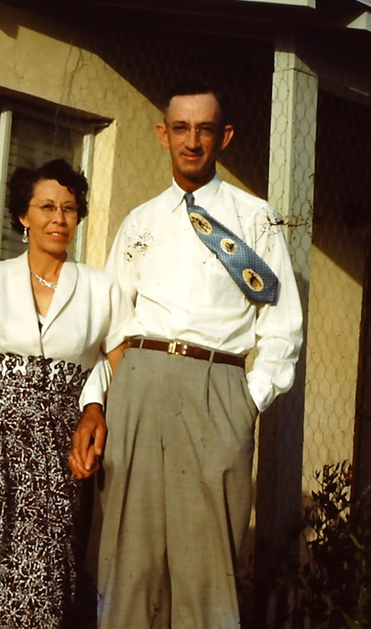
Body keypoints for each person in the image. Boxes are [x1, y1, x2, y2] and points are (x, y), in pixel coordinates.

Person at [94, 82, 303, 628]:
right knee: (129, 559)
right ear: (163, 135)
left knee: (207, 562)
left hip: (218, 388)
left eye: (204, 128)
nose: (192, 141)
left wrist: (246, 402)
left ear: (224, 136)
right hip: (139, 385)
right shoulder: (140, 221)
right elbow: (112, 320)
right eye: (180, 128)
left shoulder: (255, 218)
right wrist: (112, 395)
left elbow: (281, 327)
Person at [0, 159, 124, 629]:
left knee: (47, 581)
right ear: (23, 215)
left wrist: (93, 411)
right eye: (47, 207)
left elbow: (121, 369)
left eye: (70, 209)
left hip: (59, 450)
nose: (59, 218)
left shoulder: (101, 288)